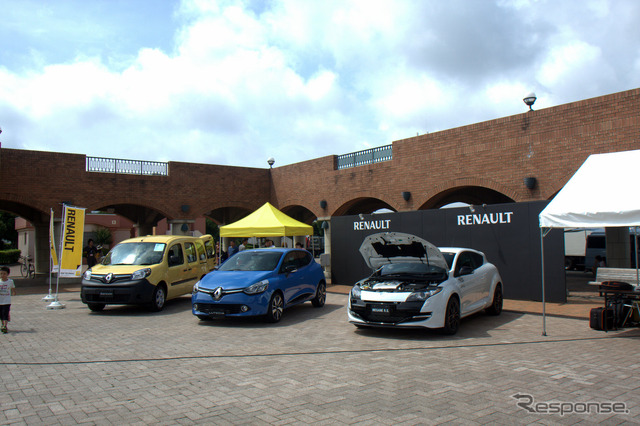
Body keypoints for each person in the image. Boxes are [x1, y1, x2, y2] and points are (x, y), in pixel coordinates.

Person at [0, 266, 16, 334]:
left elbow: (13, 288)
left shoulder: (10, 281)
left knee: (5, 313)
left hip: (7, 301)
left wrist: (13, 292)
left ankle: (4, 326)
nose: (2, 275)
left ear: (7, 274)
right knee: (1, 314)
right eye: (1, 274)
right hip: (0, 301)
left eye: (4, 274)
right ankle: (3, 324)